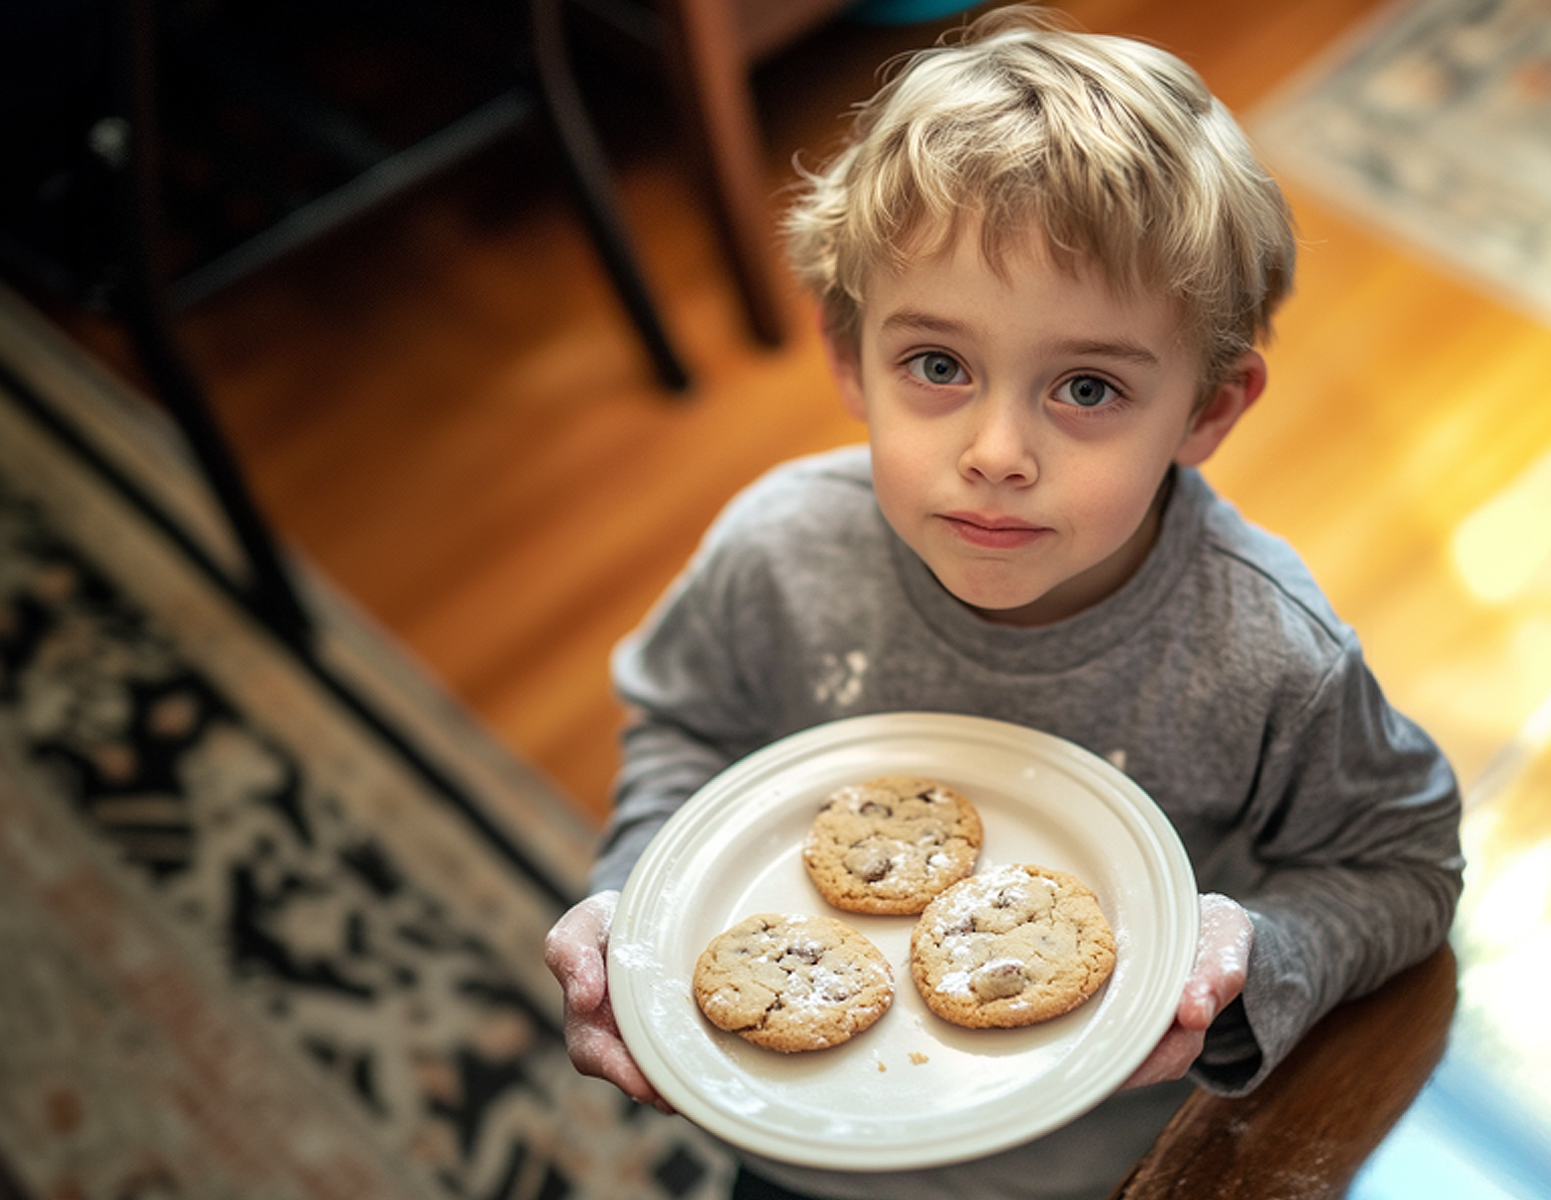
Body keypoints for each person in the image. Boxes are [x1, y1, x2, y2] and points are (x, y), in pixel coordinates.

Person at [543, 8, 1463, 1198]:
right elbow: (686, 729)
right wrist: (636, 898)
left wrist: (1257, 951)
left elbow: (1403, 864)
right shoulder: (778, 553)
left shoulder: (1267, 655)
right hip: (798, 1149)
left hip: (1103, 1169)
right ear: (847, 352)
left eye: (1086, 386)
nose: (996, 451)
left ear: (1208, 411)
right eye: (938, 366)